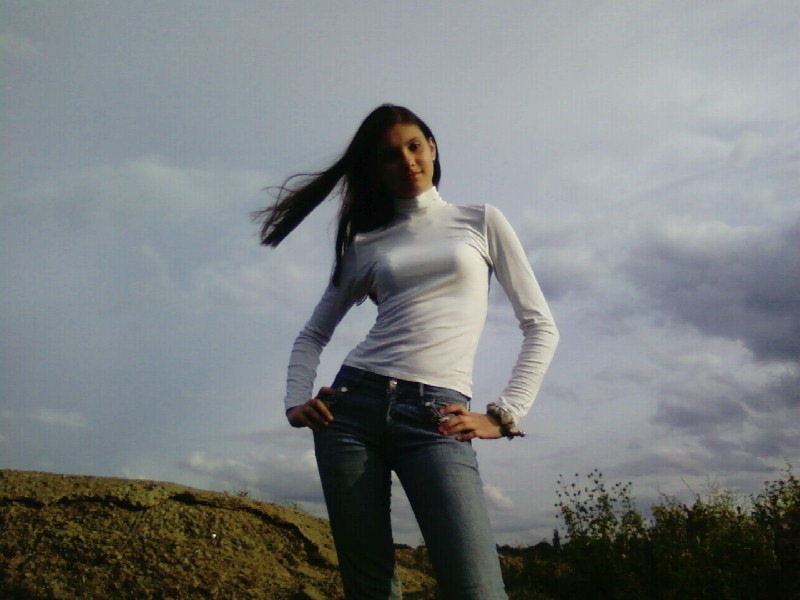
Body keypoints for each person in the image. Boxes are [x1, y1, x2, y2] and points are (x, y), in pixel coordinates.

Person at [255, 104, 558, 599]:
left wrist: (504, 415)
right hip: (351, 413)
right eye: (390, 155)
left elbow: (541, 326)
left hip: (437, 417)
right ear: (375, 169)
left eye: (414, 146)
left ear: (432, 147)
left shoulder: (480, 220)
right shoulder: (366, 243)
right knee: (371, 590)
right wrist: (294, 400)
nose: (408, 161)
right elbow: (312, 334)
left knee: (478, 590)